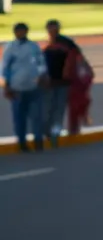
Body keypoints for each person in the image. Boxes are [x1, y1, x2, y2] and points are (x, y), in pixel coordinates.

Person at [1, 23, 47, 152]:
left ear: (26, 31)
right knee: (19, 117)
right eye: (18, 31)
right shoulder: (10, 47)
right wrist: (6, 86)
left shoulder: (33, 46)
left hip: (33, 86)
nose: (20, 33)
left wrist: (42, 75)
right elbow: (5, 68)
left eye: (22, 31)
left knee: (37, 116)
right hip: (17, 87)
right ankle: (22, 142)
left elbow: (40, 62)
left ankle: (38, 141)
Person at [42, 19, 80, 148]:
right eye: (50, 29)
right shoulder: (49, 45)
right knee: (48, 107)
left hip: (63, 81)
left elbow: (77, 58)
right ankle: (48, 131)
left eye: (54, 29)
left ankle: (54, 133)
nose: (52, 31)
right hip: (50, 82)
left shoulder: (67, 44)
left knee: (59, 108)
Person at [66, 43, 94, 133]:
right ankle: (74, 127)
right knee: (74, 108)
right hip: (75, 86)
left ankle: (81, 118)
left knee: (83, 103)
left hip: (82, 85)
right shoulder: (70, 60)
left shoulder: (80, 60)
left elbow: (90, 72)